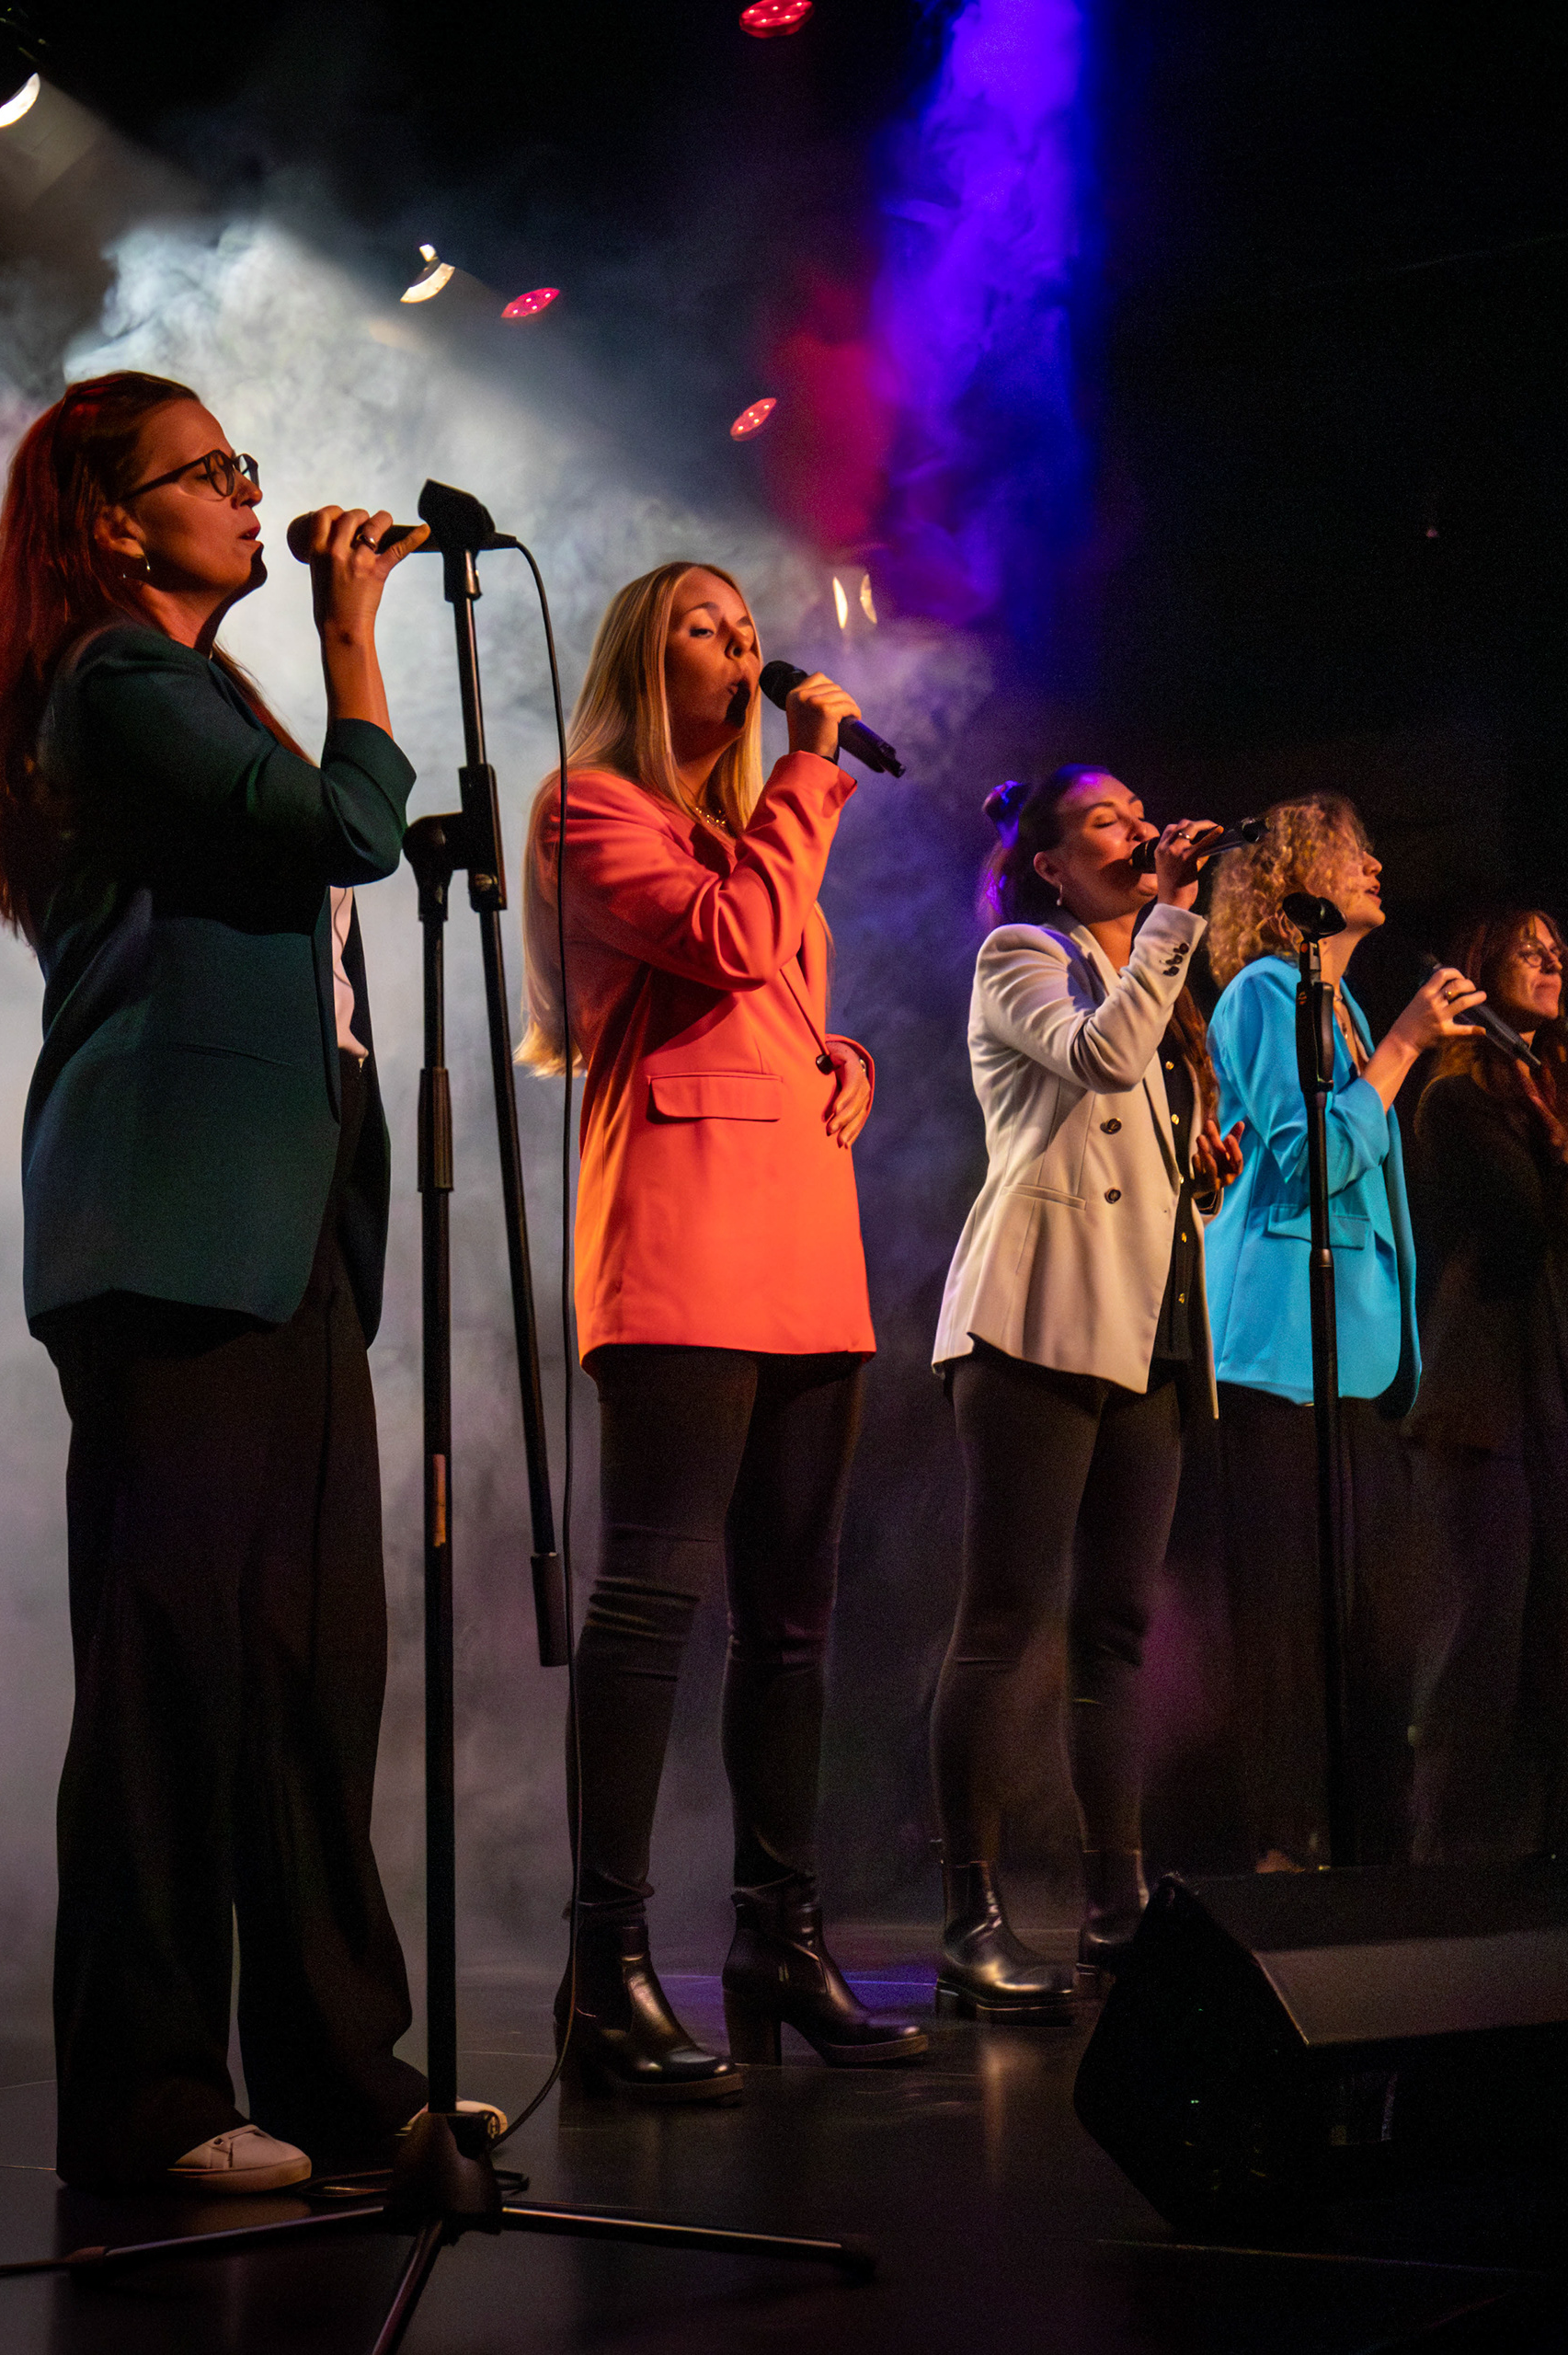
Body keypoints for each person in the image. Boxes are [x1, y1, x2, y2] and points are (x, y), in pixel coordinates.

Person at [0, 371, 429, 2195]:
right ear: (112, 518)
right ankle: (146, 2096)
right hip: (169, 1221)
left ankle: (339, 2071)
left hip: (283, 1226)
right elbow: (351, 830)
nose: (250, 491)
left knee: (310, 1666)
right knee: (171, 1673)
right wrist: (353, 636)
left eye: (246, 462)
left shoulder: (200, 688)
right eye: (209, 470)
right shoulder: (112, 680)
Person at [517, 561, 926, 2098]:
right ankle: (605, 1968)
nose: (747, 644)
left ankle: (780, 1936)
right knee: (651, 1604)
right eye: (707, 624)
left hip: (804, 1235)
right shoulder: (589, 808)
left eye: (750, 626)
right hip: (682, 1236)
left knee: (793, 1620)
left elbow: (769, 990)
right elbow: (728, 938)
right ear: (645, 656)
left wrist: (841, 1054)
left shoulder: (751, 828)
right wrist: (814, 767)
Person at [926, 769, 1249, 2015]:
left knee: (1115, 1625)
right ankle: (970, 1915)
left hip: (1150, 1327)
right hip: (1036, 1318)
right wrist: (1171, 917)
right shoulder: (1022, 955)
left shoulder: (1160, 985)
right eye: (1106, 821)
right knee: (1004, 1621)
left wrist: (1198, 1169)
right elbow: (1096, 1057)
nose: (1140, 829)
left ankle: (1118, 1905)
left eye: (1138, 813)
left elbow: (1136, 1133)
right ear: (1051, 864)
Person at [1198, 796, 1485, 1869]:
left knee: (1370, 1617)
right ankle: (1282, 1849)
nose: (1374, 861)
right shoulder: (1263, 993)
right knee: (1285, 1620)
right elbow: (1308, 1157)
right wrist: (1406, 1043)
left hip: (1356, 1355)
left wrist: (1390, 1040)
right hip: (1279, 1348)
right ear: (1293, 875)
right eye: (1349, 847)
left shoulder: (1345, 1005)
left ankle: (1367, 1851)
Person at [1402, 908, 1568, 1861]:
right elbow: (1550, 1225)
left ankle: (1546, 1873)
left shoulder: (1552, 1102)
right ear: (1483, 966)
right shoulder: (1455, 1103)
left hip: (1555, 1404)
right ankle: (1451, 1873)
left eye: (1559, 951)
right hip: (1484, 1406)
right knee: (1482, 1655)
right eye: (1529, 948)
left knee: (1562, 1660)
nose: (1553, 961)